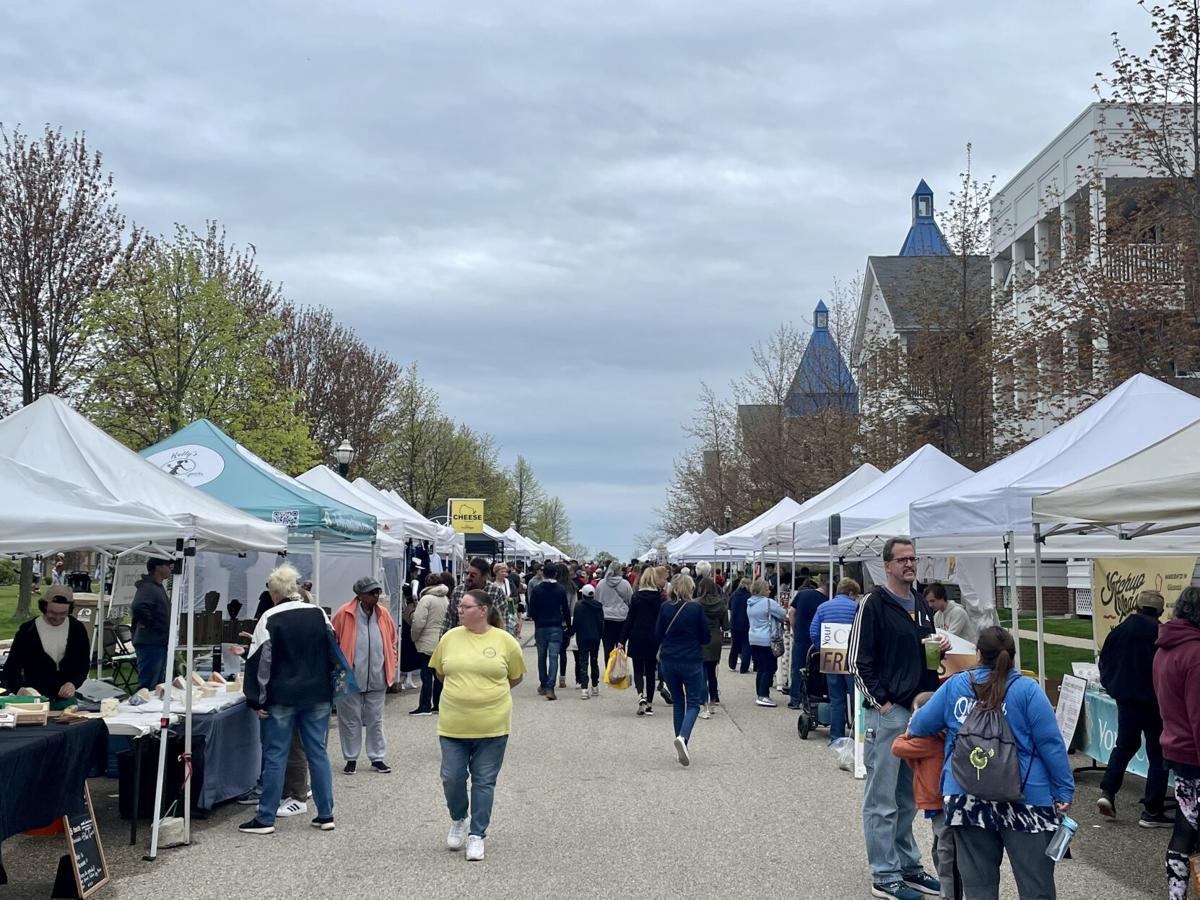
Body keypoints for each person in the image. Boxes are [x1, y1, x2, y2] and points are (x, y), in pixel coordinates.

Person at [908, 626, 1073, 900]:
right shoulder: (1027, 691)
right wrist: (1064, 790)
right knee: (1036, 886)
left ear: (977, 654)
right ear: (1012, 656)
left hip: (966, 796)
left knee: (978, 887)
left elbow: (921, 724)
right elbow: (1051, 745)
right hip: (1026, 799)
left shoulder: (956, 685)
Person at [848, 536, 946, 900]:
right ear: (887, 565)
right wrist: (883, 703)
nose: (909, 564)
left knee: (907, 797)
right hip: (888, 715)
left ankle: (908, 866)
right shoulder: (873, 604)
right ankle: (884, 874)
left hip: (918, 714)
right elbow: (857, 661)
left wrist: (939, 645)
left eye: (913, 558)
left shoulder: (920, 602)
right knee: (881, 800)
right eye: (902, 559)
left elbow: (922, 648)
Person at [239, 565, 340, 835]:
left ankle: (265, 818)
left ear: (274, 593)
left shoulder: (269, 618)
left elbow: (260, 662)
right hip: (317, 694)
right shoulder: (319, 613)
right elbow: (334, 652)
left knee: (275, 756)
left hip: (281, 696)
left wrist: (256, 701)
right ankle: (326, 813)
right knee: (317, 753)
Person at [430, 588, 526, 861]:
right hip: (453, 724)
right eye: (460, 606)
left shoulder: (505, 641)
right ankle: (459, 818)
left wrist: (489, 693)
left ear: (483, 610)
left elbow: (515, 677)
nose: (459, 610)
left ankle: (477, 834)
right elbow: (440, 672)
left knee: (484, 781)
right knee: (452, 778)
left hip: (492, 724)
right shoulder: (449, 638)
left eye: (465, 607)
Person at [1096, 589, 1170, 827]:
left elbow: (1104, 662)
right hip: (1154, 701)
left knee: (1125, 744)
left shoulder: (1119, 631)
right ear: (1160, 611)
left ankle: (1108, 791)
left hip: (1125, 699)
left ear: (1136, 607)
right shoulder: (1160, 633)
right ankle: (1152, 810)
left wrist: (1112, 688)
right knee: (1158, 754)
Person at [1152, 586, 1200, 899]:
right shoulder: (1194, 653)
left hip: (1176, 747)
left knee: (1186, 825)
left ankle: (1177, 892)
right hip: (1194, 752)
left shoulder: (1164, 648)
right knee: (1187, 827)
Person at [892, 692, 961, 900]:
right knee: (940, 849)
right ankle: (947, 891)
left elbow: (897, 746)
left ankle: (949, 895)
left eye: (915, 715)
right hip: (938, 801)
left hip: (938, 801)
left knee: (945, 852)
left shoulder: (927, 740)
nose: (912, 720)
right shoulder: (942, 735)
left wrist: (908, 731)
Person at [331, 576, 397, 775]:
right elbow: (333, 641)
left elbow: (392, 640)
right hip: (351, 677)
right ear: (360, 595)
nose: (376, 595)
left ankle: (377, 757)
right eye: (371, 592)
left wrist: (391, 662)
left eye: (377, 592)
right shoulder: (344, 613)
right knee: (349, 719)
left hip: (377, 676)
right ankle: (351, 757)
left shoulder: (383, 614)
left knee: (375, 719)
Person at [655, 574, 710, 766]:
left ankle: (680, 740)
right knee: (694, 702)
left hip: (669, 659)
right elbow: (705, 637)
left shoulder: (665, 607)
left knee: (678, 701)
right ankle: (683, 738)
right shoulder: (695, 608)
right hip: (691, 659)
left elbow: (658, 634)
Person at [3, 585, 89, 700]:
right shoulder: (27, 631)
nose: (57, 618)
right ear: (44, 607)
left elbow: (83, 664)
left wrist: (73, 683)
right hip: (34, 700)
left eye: (63, 614)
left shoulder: (77, 629)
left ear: (70, 610)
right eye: (52, 613)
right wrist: (19, 689)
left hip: (66, 700)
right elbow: (11, 668)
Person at [810, 577, 861, 743]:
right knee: (856, 697)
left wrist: (822, 649)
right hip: (852, 657)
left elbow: (814, 632)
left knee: (836, 699)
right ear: (851, 592)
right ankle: (857, 734)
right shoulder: (857, 608)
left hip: (831, 655)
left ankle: (836, 736)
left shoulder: (823, 607)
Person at [620, 565, 666, 716]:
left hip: (637, 635)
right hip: (653, 637)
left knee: (638, 669)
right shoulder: (659, 598)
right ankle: (650, 703)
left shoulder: (636, 597)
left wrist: (622, 639)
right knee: (651, 671)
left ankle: (641, 696)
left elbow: (630, 620)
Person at [528, 561, 570, 700]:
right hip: (556, 626)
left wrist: (537, 618)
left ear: (543, 573)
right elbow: (565, 609)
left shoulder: (537, 589)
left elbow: (531, 610)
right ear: (556, 574)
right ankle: (551, 687)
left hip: (541, 626)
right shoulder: (560, 589)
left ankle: (543, 683)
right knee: (553, 657)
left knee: (541, 657)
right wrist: (568, 626)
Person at [131, 557, 174, 691]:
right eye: (167, 565)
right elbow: (138, 606)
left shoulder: (158, 587)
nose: (170, 569)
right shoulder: (148, 587)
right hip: (150, 642)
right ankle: (141, 709)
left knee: (158, 684)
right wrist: (153, 625)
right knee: (148, 683)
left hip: (158, 641)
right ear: (158, 567)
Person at [788, 574, 829, 709]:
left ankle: (795, 699)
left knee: (797, 667)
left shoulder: (802, 594)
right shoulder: (827, 601)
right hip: (819, 638)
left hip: (800, 636)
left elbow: (791, 612)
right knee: (816, 669)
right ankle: (812, 699)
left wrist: (794, 629)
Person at [409, 580, 450, 715]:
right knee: (439, 675)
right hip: (441, 640)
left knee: (426, 675)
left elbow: (418, 621)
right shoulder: (446, 599)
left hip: (427, 640)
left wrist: (414, 637)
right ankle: (438, 704)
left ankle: (424, 705)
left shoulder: (426, 599)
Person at [746, 578, 787, 707]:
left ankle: (760, 693)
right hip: (767, 639)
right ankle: (763, 695)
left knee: (761, 668)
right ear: (763, 590)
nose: (769, 591)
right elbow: (782, 614)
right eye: (767, 589)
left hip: (753, 638)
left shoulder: (750, 603)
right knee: (769, 667)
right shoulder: (769, 603)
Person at [444, 558, 509, 635]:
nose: (468, 577)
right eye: (467, 573)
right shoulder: (458, 591)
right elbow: (449, 620)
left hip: (487, 640)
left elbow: (503, 621)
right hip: (462, 639)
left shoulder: (496, 592)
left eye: (473, 575)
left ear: (484, 576)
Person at [696, 571, 728, 719]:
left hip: (700, 639)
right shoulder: (721, 604)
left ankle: (704, 705)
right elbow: (726, 626)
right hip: (715, 639)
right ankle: (713, 701)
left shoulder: (696, 604)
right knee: (712, 673)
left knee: (701, 673)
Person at [596, 560, 633, 662]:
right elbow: (631, 601)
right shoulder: (625, 584)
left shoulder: (601, 584)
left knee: (607, 647)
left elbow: (597, 601)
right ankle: (620, 671)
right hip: (622, 618)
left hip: (606, 618)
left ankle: (609, 670)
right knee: (621, 647)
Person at [572, 583, 604, 699]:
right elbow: (601, 623)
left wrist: (570, 633)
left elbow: (575, 623)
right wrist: (600, 635)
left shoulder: (578, 606)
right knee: (594, 661)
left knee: (583, 662)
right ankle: (595, 686)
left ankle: (584, 689)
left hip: (582, 637)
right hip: (595, 636)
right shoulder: (599, 606)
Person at [727, 577, 752, 674]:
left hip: (734, 623)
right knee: (746, 645)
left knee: (735, 644)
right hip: (746, 623)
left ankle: (732, 664)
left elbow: (729, 607)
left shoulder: (734, 595)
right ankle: (744, 668)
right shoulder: (750, 596)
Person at [491, 562, 520, 637]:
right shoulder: (492, 584)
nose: (504, 573)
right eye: (502, 571)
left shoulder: (509, 583)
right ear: (496, 572)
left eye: (505, 571)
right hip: (497, 613)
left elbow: (517, 596)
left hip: (510, 611)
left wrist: (510, 599)